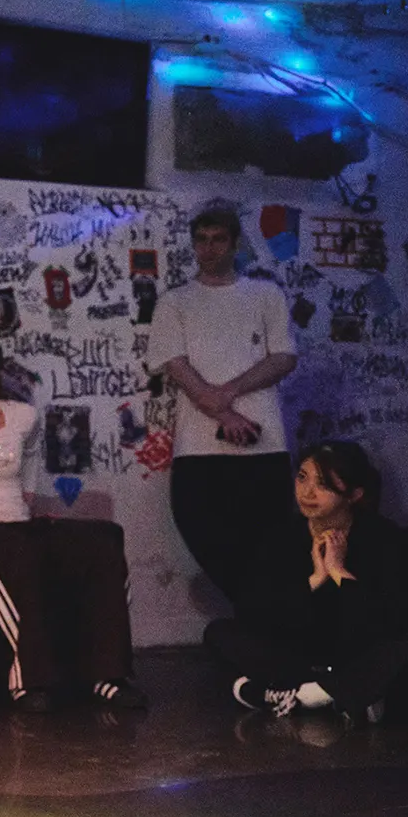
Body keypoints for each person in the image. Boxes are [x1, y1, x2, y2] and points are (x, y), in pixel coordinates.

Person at [0, 329, 144, 713]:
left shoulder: (22, 416)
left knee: (103, 541)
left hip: (17, 525)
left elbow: (33, 459)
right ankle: (30, 682)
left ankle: (109, 677)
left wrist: (29, 499)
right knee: (22, 556)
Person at [203, 442, 408, 723]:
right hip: (299, 656)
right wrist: (314, 580)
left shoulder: (381, 536)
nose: (308, 493)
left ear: (354, 494)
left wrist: (338, 572)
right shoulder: (281, 537)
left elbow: (394, 620)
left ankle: (303, 694)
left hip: (360, 654)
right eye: (302, 478)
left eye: (323, 484)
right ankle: (338, 693)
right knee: (219, 632)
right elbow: (252, 613)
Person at [148, 206, 298, 607]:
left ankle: (267, 622)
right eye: (201, 240)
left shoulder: (265, 294)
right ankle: (255, 616)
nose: (209, 248)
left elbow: (284, 357)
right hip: (198, 449)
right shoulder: (175, 302)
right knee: (207, 540)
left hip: (265, 446)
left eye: (218, 240)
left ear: (234, 243)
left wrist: (229, 392)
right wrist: (225, 415)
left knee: (270, 544)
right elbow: (175, 365)